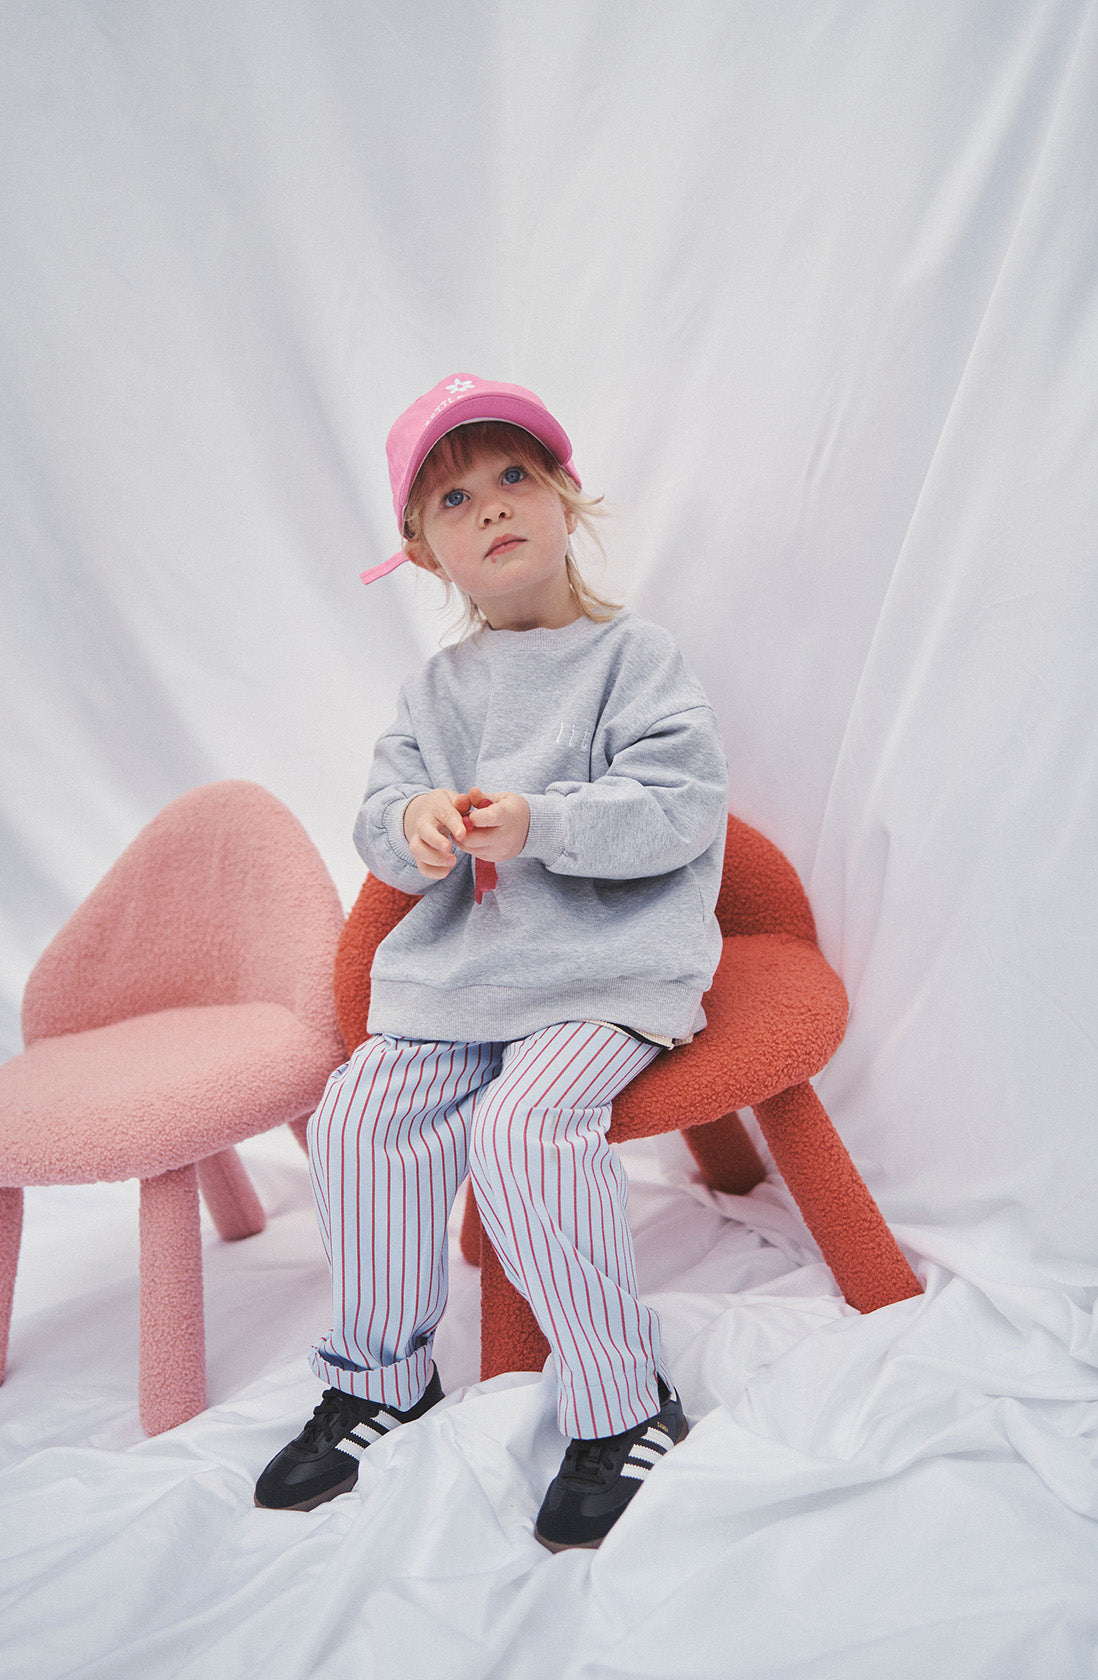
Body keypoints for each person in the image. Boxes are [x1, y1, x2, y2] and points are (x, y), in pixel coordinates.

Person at [254, 373, 729, 1551]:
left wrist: (542, 823)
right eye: (453, 499)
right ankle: (378, 1374)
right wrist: (412, 826)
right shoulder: (433, 689)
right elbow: (380, 819)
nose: (491, 508)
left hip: (604, 967)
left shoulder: (634, 658)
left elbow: (677, 810)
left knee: (523, 1132)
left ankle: (622, 1403)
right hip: (463, 978)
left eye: (514, 476)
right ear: (426, 558)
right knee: (361, 1116)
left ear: (568, 500)